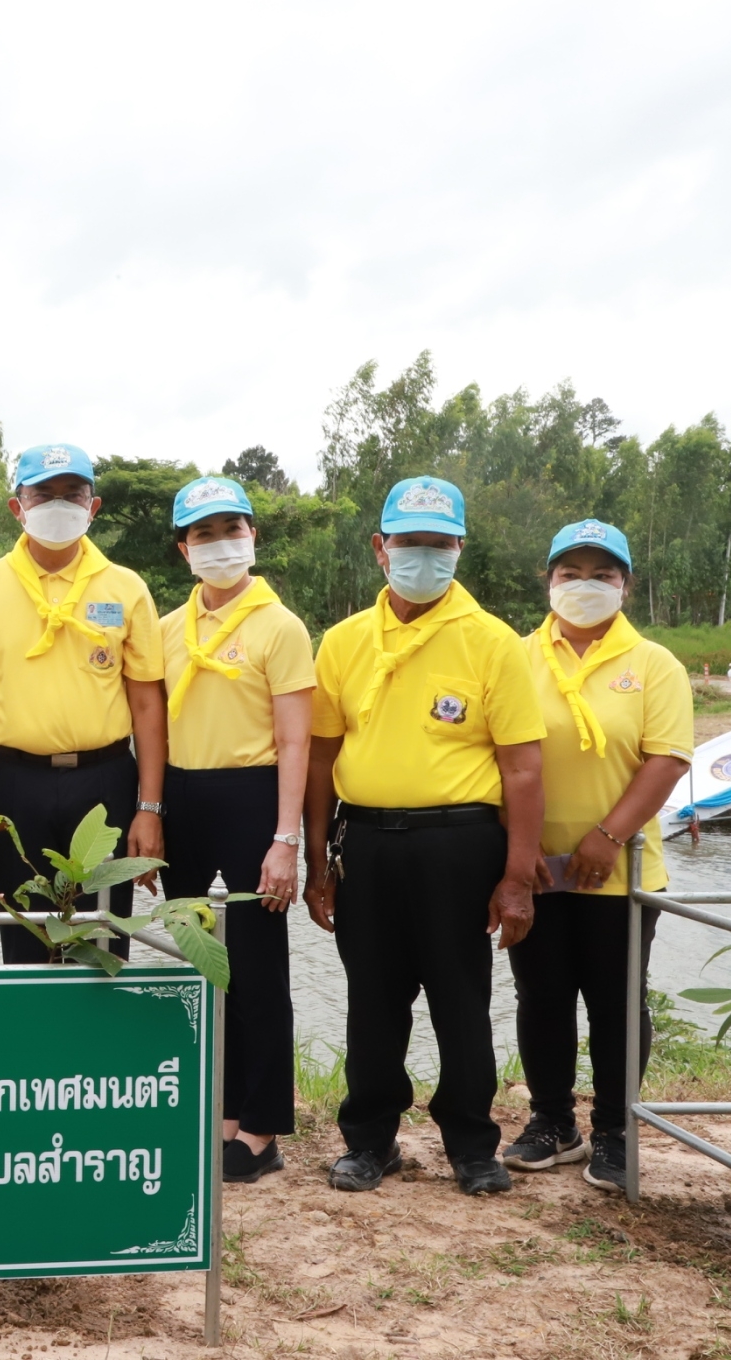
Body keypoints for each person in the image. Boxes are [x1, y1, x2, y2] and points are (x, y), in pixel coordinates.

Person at [302, 475, 545, 1197]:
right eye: (409, 542)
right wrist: (318, 857)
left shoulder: (492, 642)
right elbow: (319, 755)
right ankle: (369, 1139)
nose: (423, 556)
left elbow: (523, 768)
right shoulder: (344, 641)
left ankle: (472, 1143)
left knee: (460, 997)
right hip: (367, 841)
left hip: (460, 843)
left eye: (438, 544)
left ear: (459, 548)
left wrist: (517, 875)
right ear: (380, 548)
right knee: (372, 998)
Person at [502, 519, 692, 1193]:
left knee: (616, 1001)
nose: (585, 585)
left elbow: (666, 759)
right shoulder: (515, 655)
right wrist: (515, 859)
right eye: (570, 572)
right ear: (548, 579)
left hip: (623, 869)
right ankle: (553, 1120)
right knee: (542, 993)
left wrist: (607, 835)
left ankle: (614, 1127)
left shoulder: (655, 664)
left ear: (626, 584)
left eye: (601, 573)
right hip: (536, 866)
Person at [0, 444, 167, 961]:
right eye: (43, 494)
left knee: (104, 936)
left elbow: (149, 706)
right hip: (13, 785)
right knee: (25, 937)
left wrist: (149, 809)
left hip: (106, 780)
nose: (58, 505)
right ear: (17, 506)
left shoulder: (126, 588)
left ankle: (98, 1043)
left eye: (72, 493)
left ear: (94, 506)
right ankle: (32, 1040)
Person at [157, 475, 314, 1185]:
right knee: (194, 957)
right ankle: (217, 1112)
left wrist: (287, 837)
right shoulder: (166, 628)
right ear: (183, 546)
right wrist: (152, 810)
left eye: (233, 530)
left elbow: (294, 741)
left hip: (253, 796)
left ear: (253, 536)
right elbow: (152, 730)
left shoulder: (279, 626)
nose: (221, 545)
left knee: (256, 964)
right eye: (205, 534)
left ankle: (260, 1125)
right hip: (183, 798)